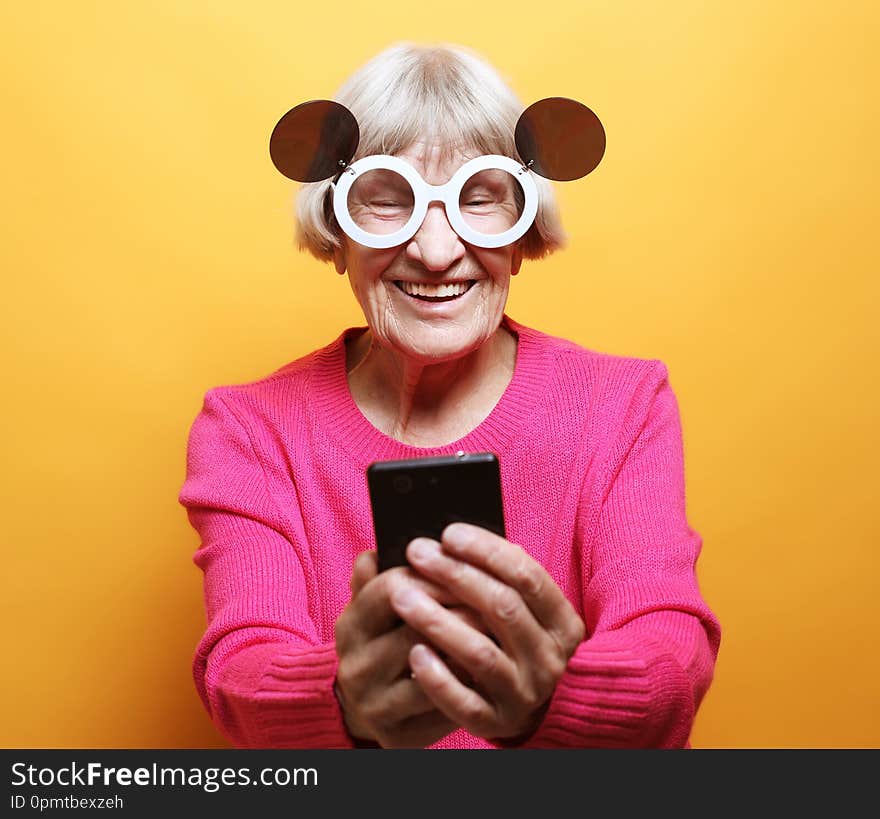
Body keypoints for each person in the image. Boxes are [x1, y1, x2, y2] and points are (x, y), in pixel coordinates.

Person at [178, 42, 721, 749]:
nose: (436, 251)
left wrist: (559, 696)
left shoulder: (622, 403)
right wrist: (342, 700)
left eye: (480, 197)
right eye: (387, 200)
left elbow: (669, 653)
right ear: (337, 231)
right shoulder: (250, 428)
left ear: (523, 233)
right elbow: (243, 670)